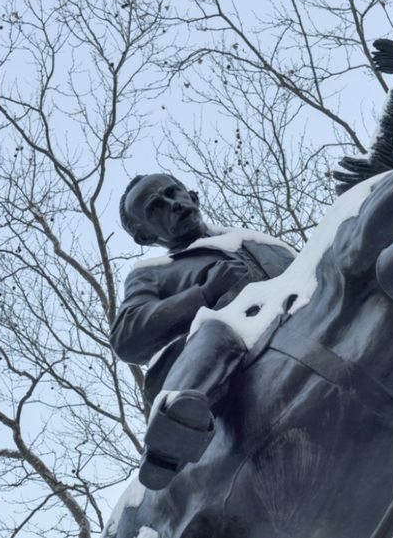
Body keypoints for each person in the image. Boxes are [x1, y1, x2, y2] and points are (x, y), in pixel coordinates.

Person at [110, 173, 294, 489]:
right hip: (219, 379)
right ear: (144, 235)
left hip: (292, 340)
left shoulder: (265, 246)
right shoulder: (152, 274)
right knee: (216, 332)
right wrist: (203, 295)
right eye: (156, 207)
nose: (173, 204)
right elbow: (127, 338)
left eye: (174, 192)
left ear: (192, 195)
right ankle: (170, 443)